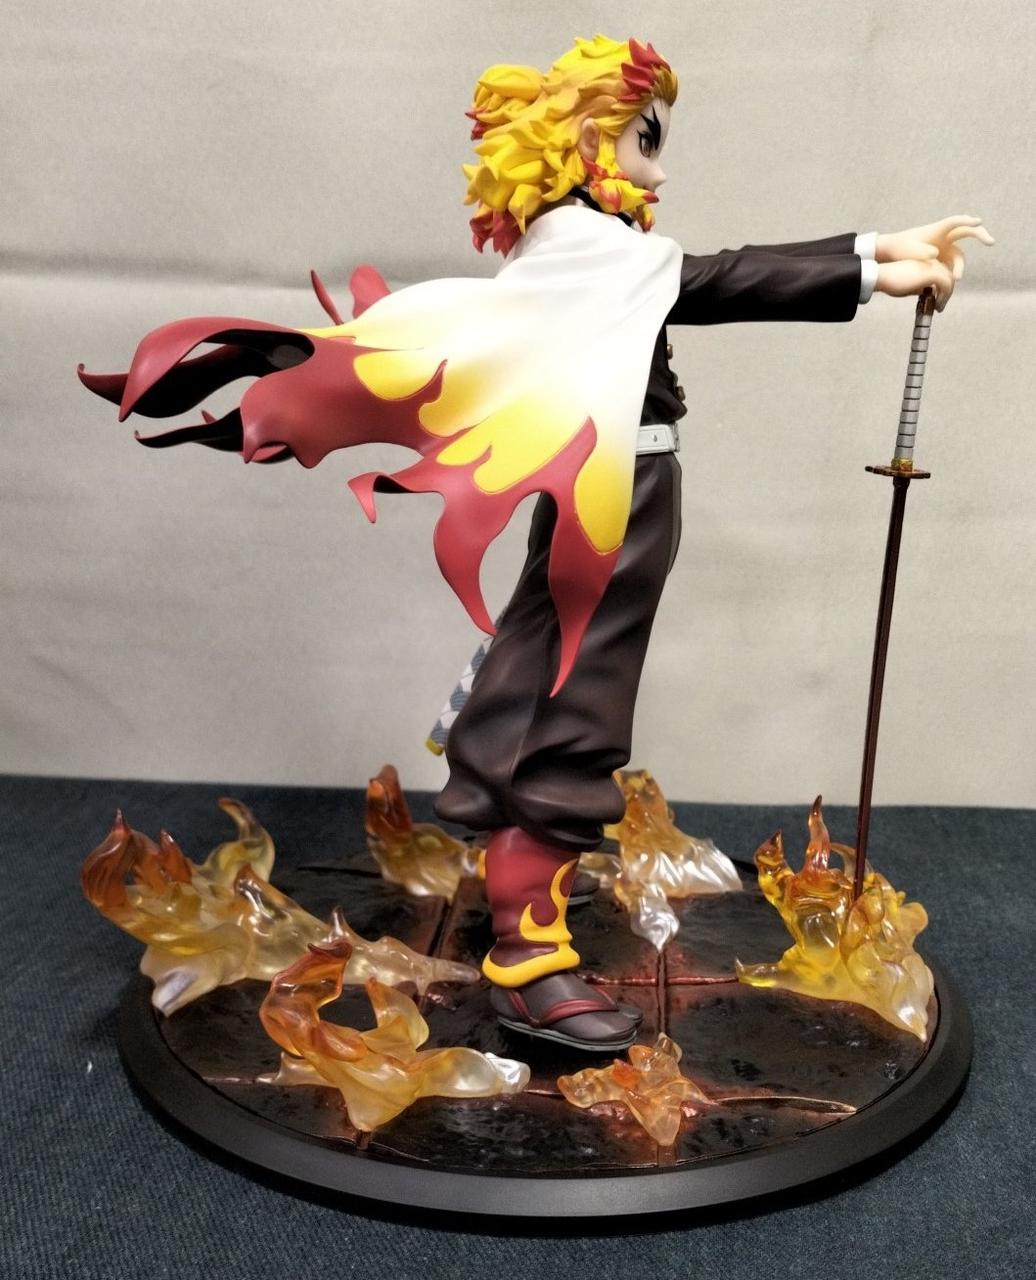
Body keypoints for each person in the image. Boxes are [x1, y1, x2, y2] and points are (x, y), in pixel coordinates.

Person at [80, 34, 991, 1052]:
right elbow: (717, 279)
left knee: (553, 670)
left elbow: (702, 276)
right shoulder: (584, 246)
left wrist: (875, 250)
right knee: (574, 701)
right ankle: (528, 956)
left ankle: (520, 856)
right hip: (615, 495)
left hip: (623, 483)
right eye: (646, 140)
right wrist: (871, 267)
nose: (660, 170)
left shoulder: (591, 251)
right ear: (585, 141)